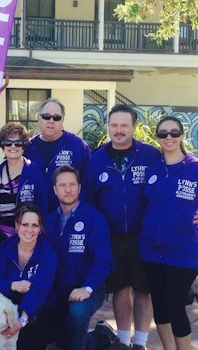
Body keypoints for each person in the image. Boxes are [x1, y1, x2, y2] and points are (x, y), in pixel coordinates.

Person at [82, 104, 161, 349]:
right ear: (108, 127)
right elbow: (88, 200)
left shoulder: (150, 156)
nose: (118, 130)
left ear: (133, 127)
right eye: (114, 125)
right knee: (120, 289)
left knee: (143, 290)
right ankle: (124, 341)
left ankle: (141, 342)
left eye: (124, 125)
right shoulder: (96, 160)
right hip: (111, 237)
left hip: (144, 236)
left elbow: (169, 186)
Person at [140, 116, 198, 350]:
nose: (169, 138)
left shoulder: (194, 168)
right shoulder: (153, 169)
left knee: (175, 306)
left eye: (174, 132)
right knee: (161, 308)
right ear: (157, 138)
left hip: (184, 251)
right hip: (151, 251)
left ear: (182, 135)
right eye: (163, 134)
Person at [44, 165, 115, 350]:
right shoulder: (49, 222)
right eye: (62, 185)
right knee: (61, 334)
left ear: (79, 187)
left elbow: (104, 260)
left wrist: (88, 287)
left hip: (89, 288)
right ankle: (102, 339)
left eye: (72, 184)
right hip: (59, 290)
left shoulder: (93, 218)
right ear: (55, 189)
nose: (68, 189)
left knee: (77, 312)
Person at [0, 203, 59, 350]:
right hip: (10, 310)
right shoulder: (4, 250)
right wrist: (12, 285)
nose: (29, 230)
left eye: (34, 225)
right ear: (17, 226)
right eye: (25, 224)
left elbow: (39, 292)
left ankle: (99, 337)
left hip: (39, 312)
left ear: (40, 228)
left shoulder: (48, 255)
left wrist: (21, 321)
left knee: (28, 339)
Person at [0, 121, 48, 252]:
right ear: (3, 146)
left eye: (18, 143)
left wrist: (43, 238)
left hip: (28, 240)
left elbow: (43, 207)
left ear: (23, 145)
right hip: (1, 242)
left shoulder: (34, 172)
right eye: (8, 143)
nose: (13, 146)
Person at [24, 98, 91, 213]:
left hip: (69, 220)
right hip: (33, 222)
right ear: (38, 118)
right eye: (46, 116)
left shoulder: (78, 146)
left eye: (56, 117)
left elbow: (91, 183)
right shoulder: (26, 148)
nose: (51, 121)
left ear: (62, 120)